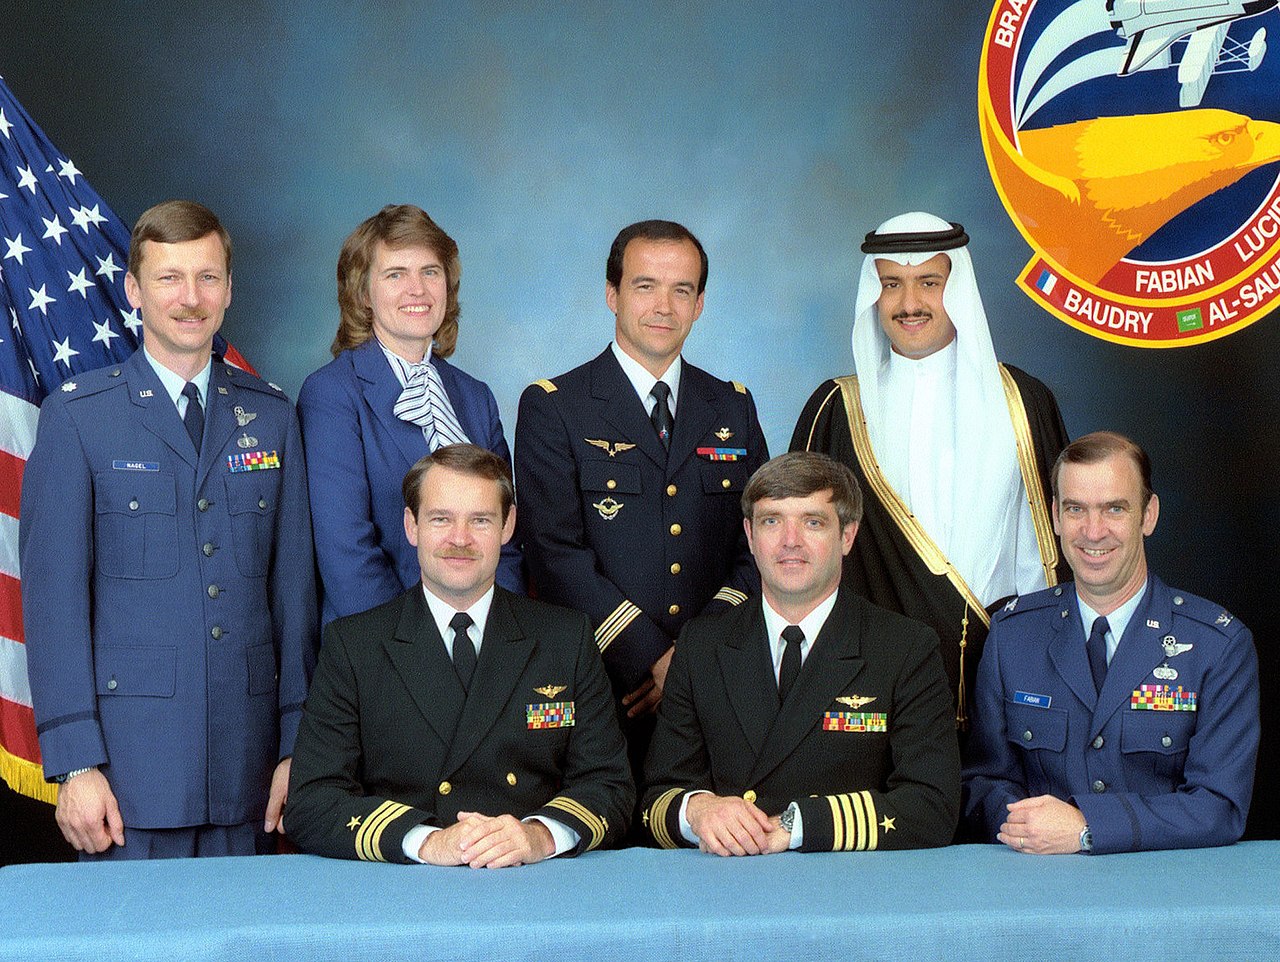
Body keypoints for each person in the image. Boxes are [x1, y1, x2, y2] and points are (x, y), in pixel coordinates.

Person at [19, 200, 318, 859]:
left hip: (250, 771)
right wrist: (75, 764)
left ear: (230, 290)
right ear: (133, 289)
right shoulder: (78, 419)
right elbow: (53, 608)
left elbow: (294, 602)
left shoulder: (272, 418)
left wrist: (298, 748)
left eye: (208, 278)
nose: (190, 298)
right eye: (169, 278)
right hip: (129, 778)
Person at [286, 444, 633, 865]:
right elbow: (312, 801)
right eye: (440, 519)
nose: (460, 539)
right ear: (411, 526)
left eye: (481, 521)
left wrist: (538, 836)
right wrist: (427, 841)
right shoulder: (354, 647)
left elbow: (610, 786)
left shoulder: (565, 638)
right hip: (406, 893)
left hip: (532, 885)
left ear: (508, 526)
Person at [791, 211, 1069, 726]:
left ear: (957, 288)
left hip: (1003, 688)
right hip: (865, 699)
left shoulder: (1023, 403)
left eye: (929, 283)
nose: (909, 303)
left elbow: (1049, 560)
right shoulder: (835, 410)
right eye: (891, 284)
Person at [515, 220, 768, 781]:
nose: (664, 306)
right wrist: (651, 657)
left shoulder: (733, 407)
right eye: (645, 285)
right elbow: (556, 554)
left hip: (714, 690)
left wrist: (691, 661)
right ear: (612, 294)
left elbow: (762, 546)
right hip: (602, 688)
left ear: (700, 304)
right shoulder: (555, 406)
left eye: (682, 290)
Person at [642, 452, 959, 853]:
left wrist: (799, 826)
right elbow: (656, 798)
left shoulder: (905, 648)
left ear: (847, 535)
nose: (790, 541)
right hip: (727, 886)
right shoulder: (702, 645)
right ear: (750, 535)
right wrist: (699, 810)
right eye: (772, 521)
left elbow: (933, 806)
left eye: (813, 522)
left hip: (847, 891)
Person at [962, 432, 1258, 854]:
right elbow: (983, 781)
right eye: (1075, 509)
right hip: (1038, 882)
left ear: (1148, 515)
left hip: (1164, 892)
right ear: (1055, 517)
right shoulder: (1011, 636)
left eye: (1114, 509)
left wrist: (1087, 828)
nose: (1093, 531)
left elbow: (1219, 806)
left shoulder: (1218, 645)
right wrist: (1029, 826)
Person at [298, 205, 521, 628]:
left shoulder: (475, 397)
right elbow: (347, 552)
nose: (417, 289)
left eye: (430, 272)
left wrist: (500, 639)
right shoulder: (331, 394)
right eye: (395, 274)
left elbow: (506, 539)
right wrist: (420, 652)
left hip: (481, 644)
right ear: (363, 293)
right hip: (383, 647)